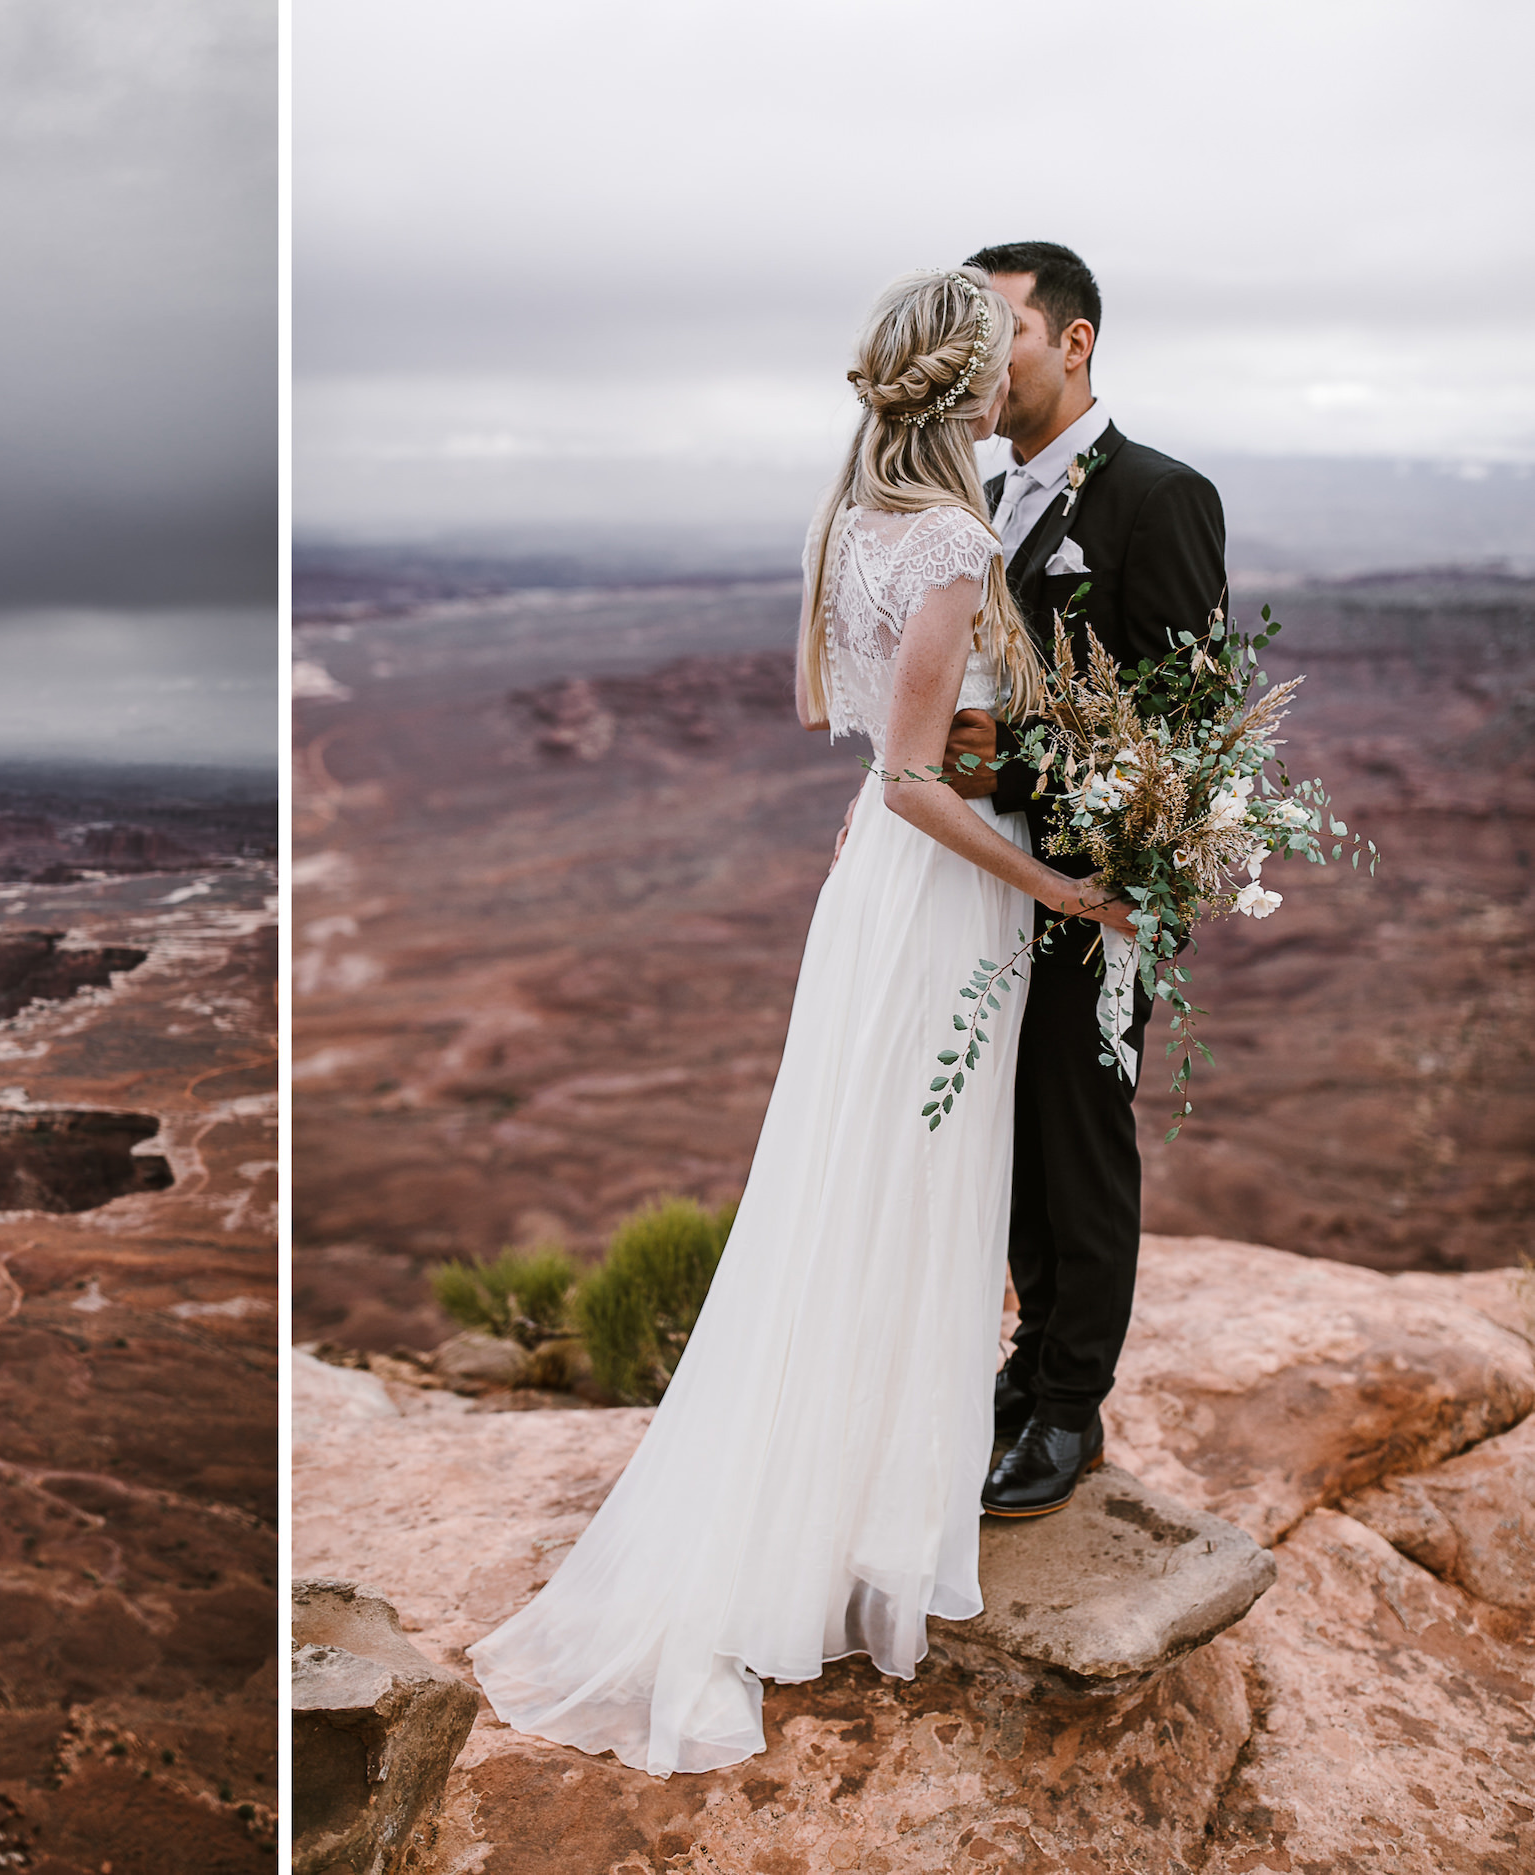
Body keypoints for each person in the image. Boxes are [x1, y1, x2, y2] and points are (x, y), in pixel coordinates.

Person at [466, 267, 1136, 1777]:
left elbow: (858, 739)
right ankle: (852, 1525)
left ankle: (832, 1502)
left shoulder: (850, 523)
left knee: (852, 1191)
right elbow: (912, 771)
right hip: (942, 894)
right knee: (908, 1196)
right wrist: (1061, 886)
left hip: (882, 890)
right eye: (991, 365)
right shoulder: (957, 534)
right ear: (965, 386)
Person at [938, 241, 1229, 1516]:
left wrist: (1019, 761)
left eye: (995, 329)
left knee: (1080, 1141)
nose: (974, 361)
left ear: (1073, 340)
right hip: (995, 876)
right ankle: (1027, 1358)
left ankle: (1071, 1410)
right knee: (1005, 1136)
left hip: (1096, 884)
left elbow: (1187, 729)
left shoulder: (1157, 496)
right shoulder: (987, 500)